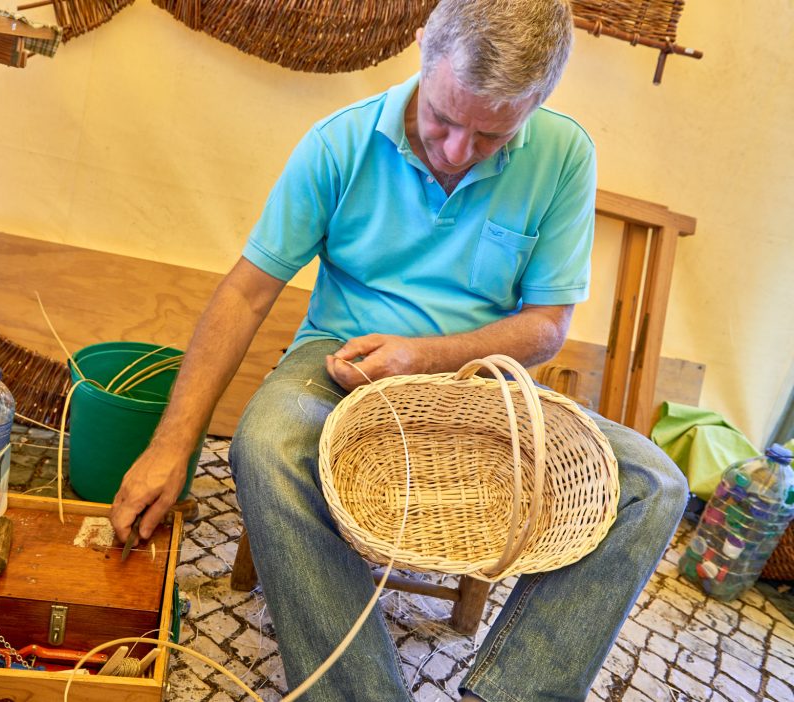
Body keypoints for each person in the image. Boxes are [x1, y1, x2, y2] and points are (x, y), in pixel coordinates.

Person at [111, 0, 688, 699]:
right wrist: (171, 445)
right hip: (338, 362)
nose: (455, 152)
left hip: (477, 382)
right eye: (443, 121)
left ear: (536, 101)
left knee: (655, 486)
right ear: (422, 51)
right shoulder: (338, 145)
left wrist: (423, 356)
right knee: (264, 444)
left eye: (489, 137)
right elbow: (245, 295)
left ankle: (513, 692)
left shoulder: (565, 155)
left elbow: (546, 327)